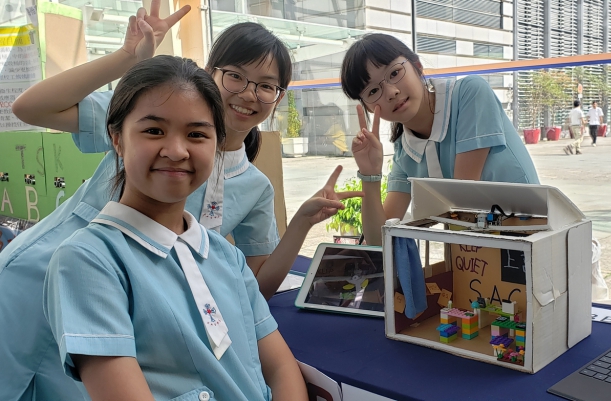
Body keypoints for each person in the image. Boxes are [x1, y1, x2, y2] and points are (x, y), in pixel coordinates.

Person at [3, 5, 352, 399]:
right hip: (43, 278)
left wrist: (302, 222)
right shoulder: (150, 110)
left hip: (139, 311)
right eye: (236, 75)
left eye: (266, 85)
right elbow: (30, 107)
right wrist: (126, 57)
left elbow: (250, 289)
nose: (248, 93)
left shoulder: (250, 189)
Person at [43, 55, 308, 401]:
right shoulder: (88, 260)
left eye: (196, 134)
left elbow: (281, 368)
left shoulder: (226, 256)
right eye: (154, 131)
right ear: (117, 139)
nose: (176, 150)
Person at [339, 33, 540, 246]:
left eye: (395, 73)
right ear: (368, 107)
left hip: (533, 240)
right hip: (478, 254)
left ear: (417, 66)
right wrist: (370, 175)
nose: (391, 92)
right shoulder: (404, 150)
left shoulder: (470, 94)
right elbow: (379, 240)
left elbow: (464, 205)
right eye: (373, 91)